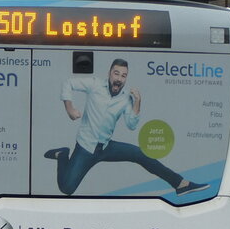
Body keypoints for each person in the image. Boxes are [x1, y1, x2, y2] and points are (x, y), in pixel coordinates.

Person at [44, 58, 208, 197]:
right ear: (109, 73)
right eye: (116, 74)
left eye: (123, 76)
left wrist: (137, 102)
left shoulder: (125, 99)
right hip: (86, 147)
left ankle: (180, 184)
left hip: (106, 147)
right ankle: (63, 154)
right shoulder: (94, 85)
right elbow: (68, 83)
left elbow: (131, 125)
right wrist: (69, 108)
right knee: (67, 188)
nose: (119, 79)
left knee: (142, 155)